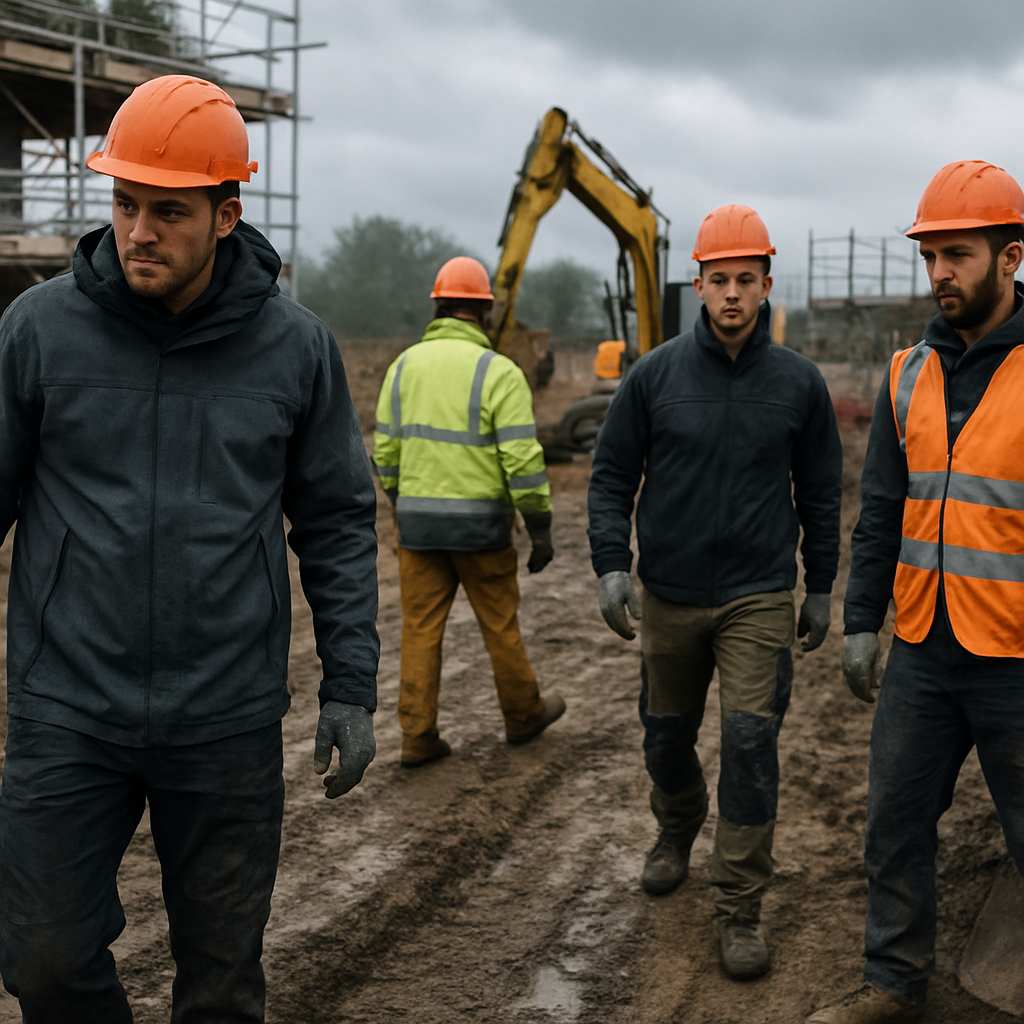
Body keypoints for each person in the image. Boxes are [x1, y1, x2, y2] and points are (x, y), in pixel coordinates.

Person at [0, 75, 379, 1022]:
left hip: (225, 717)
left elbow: (335, 520)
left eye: (168, 212)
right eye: (125, 204)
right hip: (67, 709)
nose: (138, 232)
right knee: (42, 962)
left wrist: (351, 685)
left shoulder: (295, 350)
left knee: (219, 983)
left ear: (225, 213)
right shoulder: (38, 332)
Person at [588, 204, 842, 979]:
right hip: (668, 593)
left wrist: (821, 587)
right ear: (696, 285)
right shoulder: (654, 376)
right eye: (718, 279)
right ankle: (677, 825)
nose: (732, 292)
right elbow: (609, 476)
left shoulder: (798, 384)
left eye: (746, 279)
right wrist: (610, 563)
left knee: (751, 746)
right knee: (665, 738)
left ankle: (739, 907)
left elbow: (822, 492)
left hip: (758, 596)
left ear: (767, 284)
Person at [807, 161, 1024, 1023]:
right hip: (925, 650)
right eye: (932, 255)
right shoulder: (906, 373)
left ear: (1011, 257)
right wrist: (863, 621)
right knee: (893, 822)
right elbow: (882, 510)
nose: (940, 273)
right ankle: (892, 985)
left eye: (959, 255)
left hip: (1015, 655)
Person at [373, 256, 565, 767]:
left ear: (437, 306)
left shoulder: (402, 368)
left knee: (419, 629)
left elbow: (386, 455)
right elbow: (522, 460)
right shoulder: (499, 373)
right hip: (482, 530)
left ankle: (417, 736)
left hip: (417, 529)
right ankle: (523, 716)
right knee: (500, 625)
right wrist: (539, 528)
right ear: (485, 311)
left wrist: (403, 503)